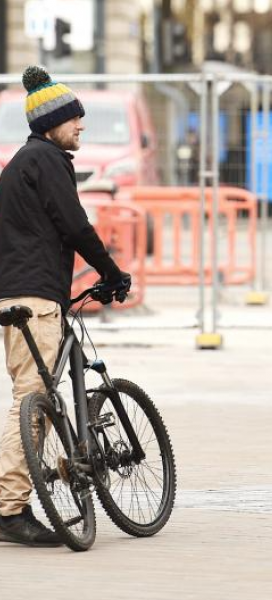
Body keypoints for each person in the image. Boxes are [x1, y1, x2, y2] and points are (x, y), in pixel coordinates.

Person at [0, 66, 130, 547]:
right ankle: (9, 509)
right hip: (34, 299)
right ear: (51, 122)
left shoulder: (18, 166)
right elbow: (74, 225)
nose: (81, 127)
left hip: (19, 293)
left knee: (39, 397)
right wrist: (111, 273)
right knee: (31, 402)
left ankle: (52, 474)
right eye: (74, 119)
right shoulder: (48, 160)